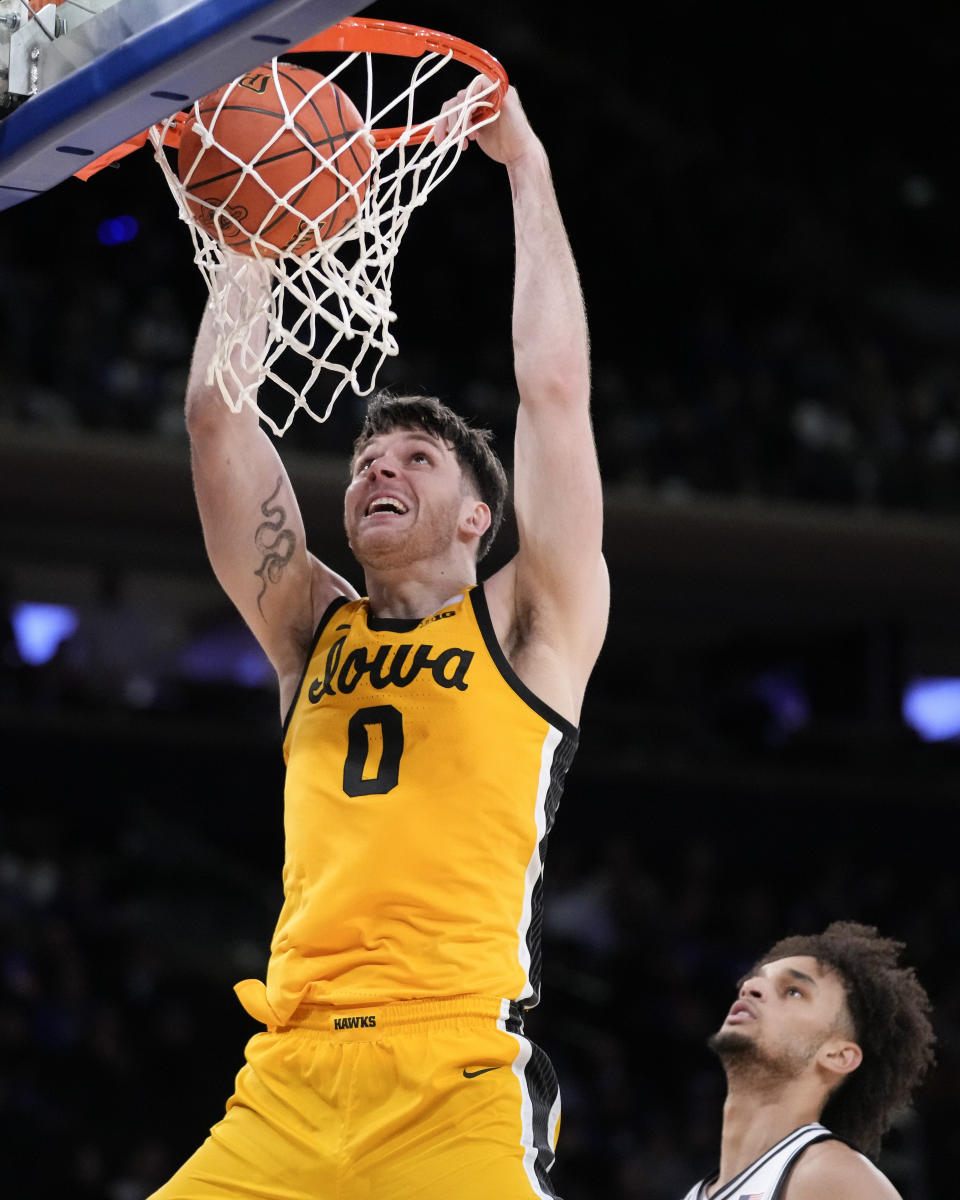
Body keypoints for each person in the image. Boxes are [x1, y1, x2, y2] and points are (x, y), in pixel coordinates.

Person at [149, 79, 608, 1200]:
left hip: (452, 1069)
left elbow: (553, 392)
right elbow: (219, 416)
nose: (376, 470)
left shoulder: (529, 623)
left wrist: (527, 166)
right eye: (364, 461)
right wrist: (253, 234)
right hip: (289, 1075)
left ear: (476, 520)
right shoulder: (309, 627)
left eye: (414, 461)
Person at [681, 921, 936, 1200]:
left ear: (838, 1055)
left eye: (793, 991)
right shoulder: (698, 1193)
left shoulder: (835, 1178)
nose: (749, 987)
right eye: (756, 979)